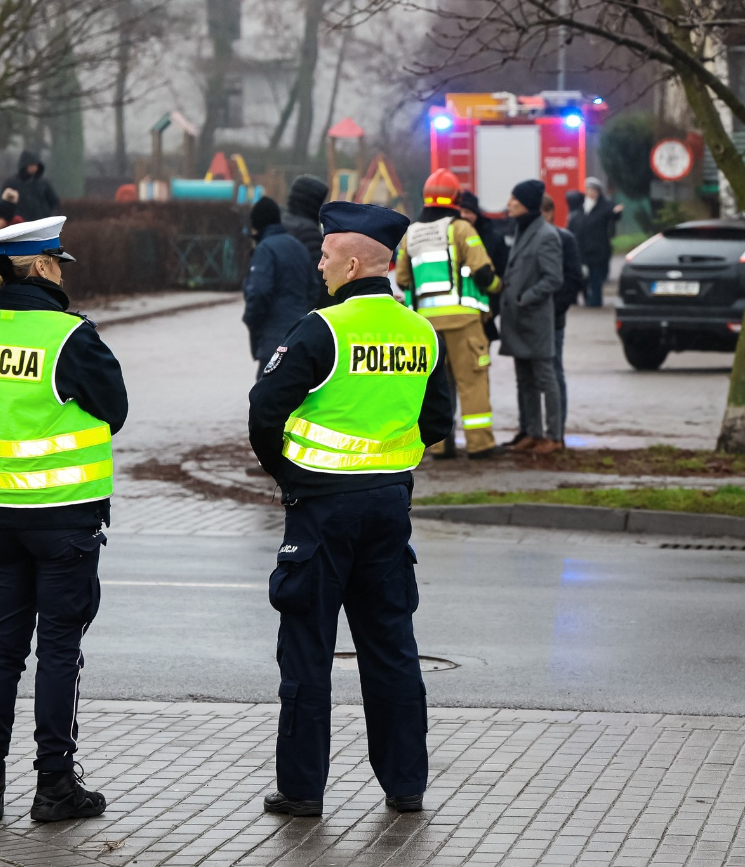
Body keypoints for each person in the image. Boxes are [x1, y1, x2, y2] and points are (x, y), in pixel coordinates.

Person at [248, 201, 453, 818]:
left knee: (307, 648)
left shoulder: (322, 329)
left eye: (328, 253)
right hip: (390, 506)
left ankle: (303, 790)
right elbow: (438, 423)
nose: (320, 263)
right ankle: (406, 785)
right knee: (391, 646)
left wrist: (289, 473)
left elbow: (264, 414)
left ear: (356, 260)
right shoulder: (421, 331)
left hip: (320, 510)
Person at [0, 216, 127, 824]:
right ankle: (54, 785)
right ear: (46, 266)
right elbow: (117, 410)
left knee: (1, 648)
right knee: (58, 650)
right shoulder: (68, 336)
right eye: (60, 263)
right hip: (62, 523)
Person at [394, 170, 501, 459]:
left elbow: (402, 279)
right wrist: (497, 288)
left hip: (425, 327)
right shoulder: (461, 228)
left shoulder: (411, 233)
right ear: (456, 198)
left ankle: (440, 445)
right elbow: (484, 272)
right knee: (472, 382)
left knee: (435, 387)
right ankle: (480, 445)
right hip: (464, 322)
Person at [499, 180, 563, 455]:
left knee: (545, 378)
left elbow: (553, 278)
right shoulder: (522, 230)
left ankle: (554, 436)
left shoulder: (547, 235)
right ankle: (532, 433)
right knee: (523, 379)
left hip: (534, 320)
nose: (509, 203)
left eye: (514, 199)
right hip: (517, 320)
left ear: (526, 203)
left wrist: (526, 297)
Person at [243, 196, 316, 379]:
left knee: (266, 402)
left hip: (272, 341)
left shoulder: (265, 249)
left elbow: (259, 293)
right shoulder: (298, 247)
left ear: (257, 224)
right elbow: (314, 289)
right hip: (301, 339)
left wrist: (252, 320)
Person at [536, 193, 584, 443]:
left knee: (554, 372)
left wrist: (557, 309)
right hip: (534, 318)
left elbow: (573, 278)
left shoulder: (564, 238)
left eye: (543, 213)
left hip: (553, 318)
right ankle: (537, 432)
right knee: (535, 375)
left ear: (550, 213)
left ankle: (556, 432)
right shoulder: (528, 237)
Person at [457, 189, 509, 343]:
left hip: (483, 316)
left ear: (476, 214)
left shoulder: (494, 239)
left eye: (468, 212)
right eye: (460, 211)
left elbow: (502, 275)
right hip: (454, 314)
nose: (464, 216)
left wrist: (492, 310)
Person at [571, 177, 624, 307]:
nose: (592, 193)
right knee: (583, 279)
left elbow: (613, 214)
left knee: (596, 279)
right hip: (581, 251)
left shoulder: (604, 207)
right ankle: (586, 299)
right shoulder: (581, 207)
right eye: (589, 190)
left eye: (594, 190)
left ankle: (595, 303)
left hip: (597, 250)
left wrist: (617, 213)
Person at [282, 175, 331, 309]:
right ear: (312, 202)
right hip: (301, 311)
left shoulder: (280, 225)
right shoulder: (307, 232)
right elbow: (321, 279)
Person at [0, 150, 61, 221]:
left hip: (41, 223)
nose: (34, 168)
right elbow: (4, 203)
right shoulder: (12, 183)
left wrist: (50, 216)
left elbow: (54, 202)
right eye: (31, 165)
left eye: (36, 165)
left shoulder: (43, 183)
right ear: (24, 166)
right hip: (19, 224)